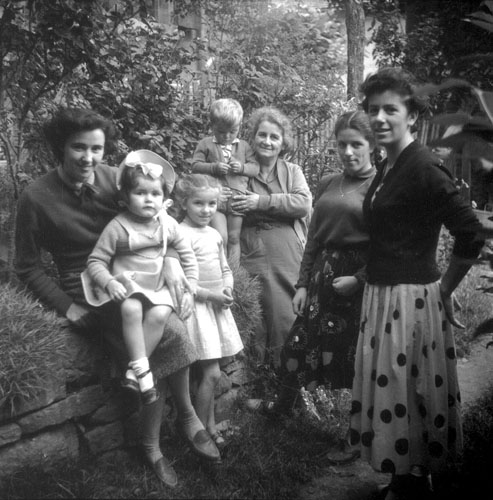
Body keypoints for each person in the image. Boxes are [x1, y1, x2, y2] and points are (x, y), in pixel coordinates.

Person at [15, 108, 220, 489]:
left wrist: (171, 261)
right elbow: (26, 267)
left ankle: (165, 432)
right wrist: (67, 306)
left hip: (142, 275)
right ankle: (176, 425)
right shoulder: (36, 197)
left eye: (96, 149)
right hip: (91, 286)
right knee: (169, 334)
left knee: (163, 329)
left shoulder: (117, 178)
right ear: (60, 147)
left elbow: (157, 221)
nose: (88, 158)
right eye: (78, 148)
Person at [348, 68, 484, 500]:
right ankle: (405, 476)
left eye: (390, 109)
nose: (379, 118)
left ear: (412, 115)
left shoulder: (423, 166)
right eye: (373, 110)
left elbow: (470, 232)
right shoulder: (390, 166)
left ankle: (412, 481)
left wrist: (443, 289)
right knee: (395, 388)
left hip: (409, 301)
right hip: (383, 296)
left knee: (407, 389)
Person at [83, 150, 198, 406]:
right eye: (140, 193)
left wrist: (191, 287)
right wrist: (109, 281)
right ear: (125, 197)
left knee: (159, 314)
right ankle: (143, 370)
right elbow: (96, 261)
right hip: (130, 283)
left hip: (159, 285)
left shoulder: (168, 224)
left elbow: (188, 256)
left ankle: (133, 372)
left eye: (155, 194)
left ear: (164, 198)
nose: (149, 199)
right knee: (131, 308)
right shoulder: (118, 226)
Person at [230, 106, 312, 367]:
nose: (267, 141)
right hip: (249, 248)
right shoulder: (240, 171)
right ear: (253, 137)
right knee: (253, 315)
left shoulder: (292, 171)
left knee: (285, 313)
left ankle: (287, 375)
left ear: (283, 142)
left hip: (286, 253)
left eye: (274, 137)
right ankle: (255, 377)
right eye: (262, 135)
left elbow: (302, 203)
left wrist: (260, 202)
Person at [175, 173, 244, 448]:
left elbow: (225, 268)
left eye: (212, 204)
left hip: (216, 307)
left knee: (208, 374)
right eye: (198, 203)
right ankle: (199, 434)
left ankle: (211, 426)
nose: (206, 210)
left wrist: (227, 288)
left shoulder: (214, 234)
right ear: (183, 203)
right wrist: (211, 296)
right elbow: (183, 282)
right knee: (212, 373)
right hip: (199, 309)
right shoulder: (180, 233)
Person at [191, 98, 259, 267]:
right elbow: (195, 166)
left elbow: (255, 168)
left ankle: (234, 273)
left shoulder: (244, 146)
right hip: (215, 199)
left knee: (234, 237)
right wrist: (213, 167)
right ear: (212, 126)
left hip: (237, 200)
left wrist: (242, 168)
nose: (227, 136)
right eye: (221, 132)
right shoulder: (206, 144)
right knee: (220, 236)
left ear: (239, 126)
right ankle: (218, 269)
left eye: (232, 131)